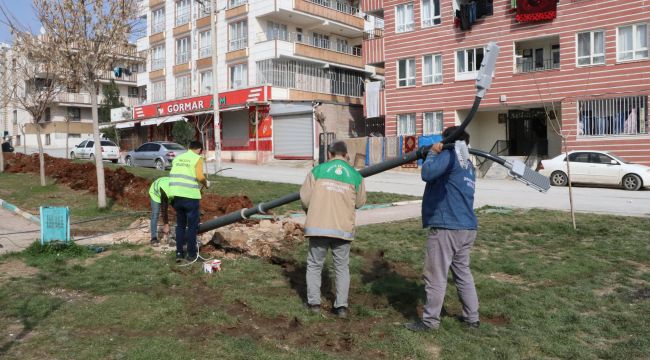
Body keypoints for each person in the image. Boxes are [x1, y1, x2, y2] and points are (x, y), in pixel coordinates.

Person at [405, 126, 480, 332]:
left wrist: (432, 153)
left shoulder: (449, 154)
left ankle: (430, 322)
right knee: (463, 273)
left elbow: (428, 173)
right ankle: (472, 318)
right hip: (467, 227)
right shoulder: (468, 165)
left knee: (435, 275)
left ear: (449, 140)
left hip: (447, 227)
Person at [299, 141, 366, 318]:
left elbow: (305, 199)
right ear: (346, 155)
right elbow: (360, 203)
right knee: (342, 267)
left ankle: (314, 304)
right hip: (342, 229)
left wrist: (312, 210)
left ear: (329, 154)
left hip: (318, 227)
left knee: (314, 265)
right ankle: (341, 307)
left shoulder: (317, 171)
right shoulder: (355, 176)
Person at [168, 141, 209, 263]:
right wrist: (206, 183)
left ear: (189, 148)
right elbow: (200, 177)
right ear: (199, 149)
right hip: (190, 197)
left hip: (176, 195)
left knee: (180, 226)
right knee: (192, 227)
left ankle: (179, 253)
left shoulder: (178, 158)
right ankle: (191, 254)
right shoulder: (197, 158)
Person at [148, 176, 172, 247]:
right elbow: (164, 208)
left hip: (165, 188)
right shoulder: (165, 190)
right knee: (155, 213)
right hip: (155, 192)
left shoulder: (178, 189)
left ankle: (169, 235)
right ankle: (153, 238)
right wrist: (166, 224)